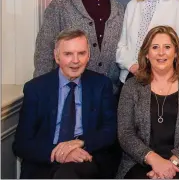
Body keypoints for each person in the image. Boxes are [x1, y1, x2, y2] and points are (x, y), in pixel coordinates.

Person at [14, 30, 119, 179]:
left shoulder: (101, 85)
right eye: (68, 54)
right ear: (56, 57)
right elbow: (21, 143)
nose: (75, 60)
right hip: (45, 160)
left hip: (84, 157)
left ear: (88, 56)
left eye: (81, 53)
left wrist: (79, 143)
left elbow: (110, 131)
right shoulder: (36, 88)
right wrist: (59, 154)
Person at [117, 26, 179, 179]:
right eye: (155, 47)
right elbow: (125, 133)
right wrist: (154, 160)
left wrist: (172, 163)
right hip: (140, 162)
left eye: (167, 47)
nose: (161, 53)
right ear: (146, 53)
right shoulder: (131, 86)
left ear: (176, 53)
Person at [36, 0, 124, 90]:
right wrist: (41, 91)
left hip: (108, 96)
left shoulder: (119, 9)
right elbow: (44, 50)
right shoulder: (61, 4)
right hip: (68, 95)